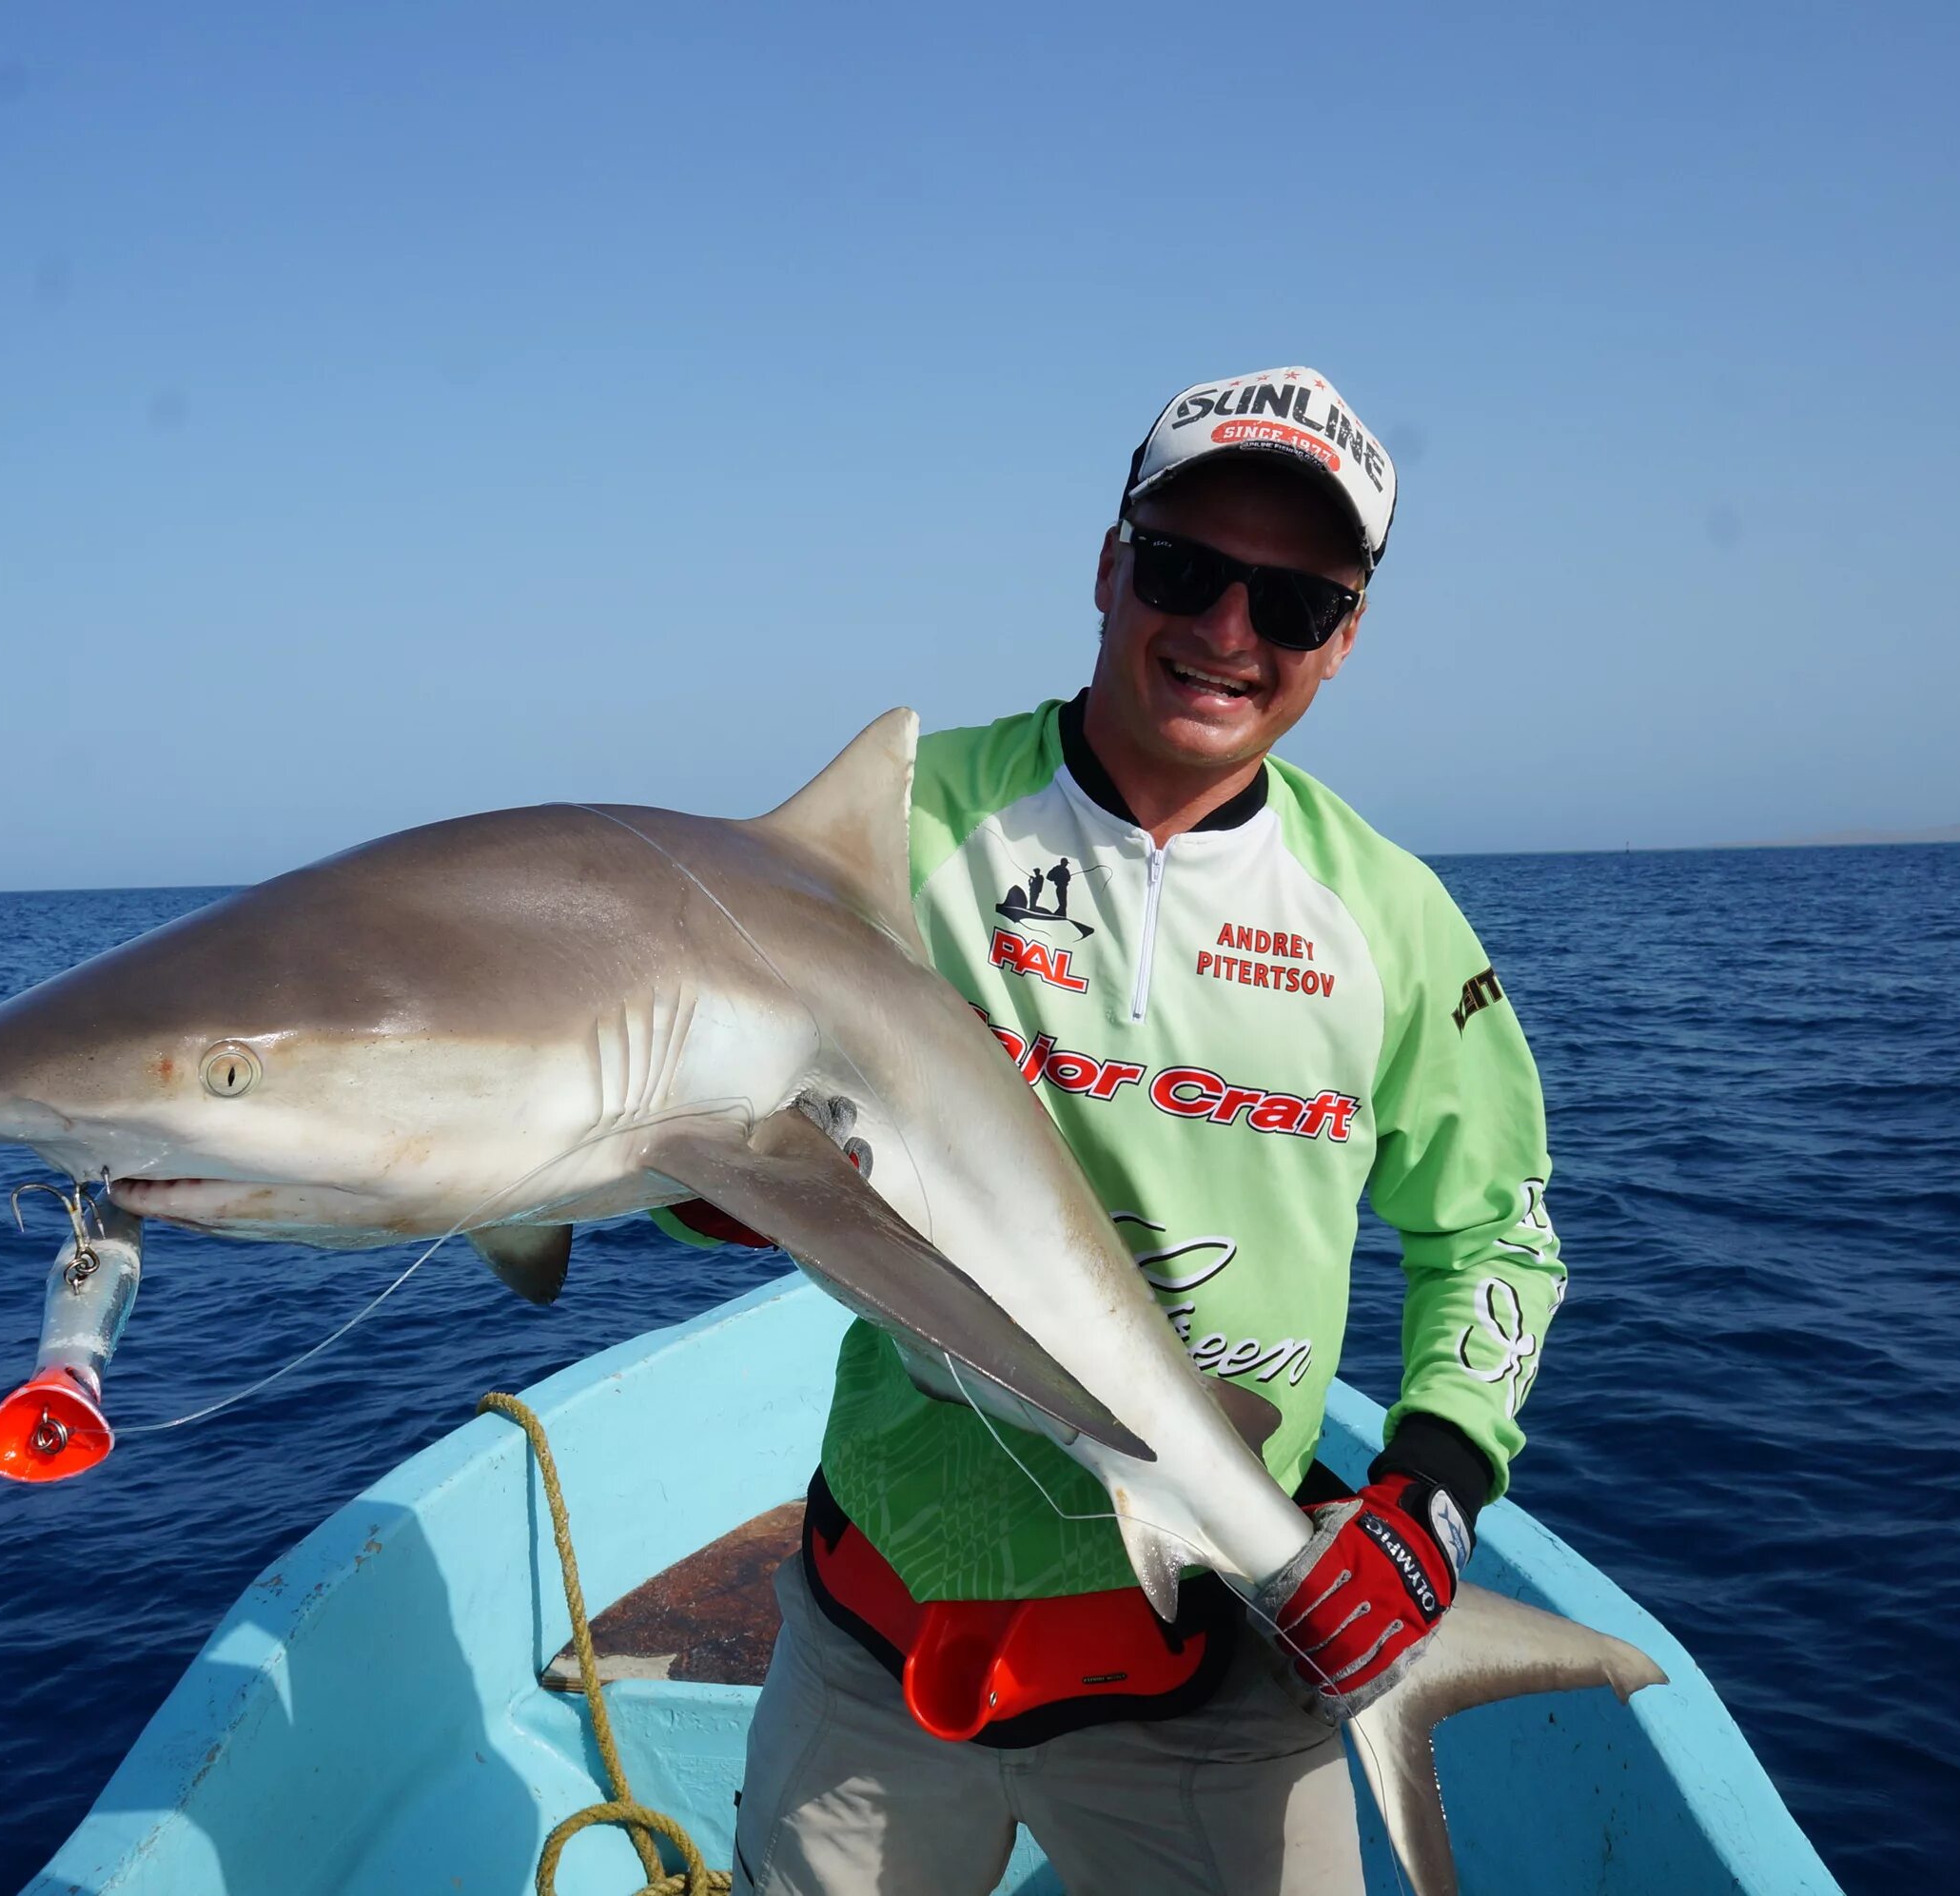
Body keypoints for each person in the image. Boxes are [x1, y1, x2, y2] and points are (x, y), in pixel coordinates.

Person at [657, 366, 1567, 1896]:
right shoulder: (900, 828)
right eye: (1187, 568)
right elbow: (687, 1098)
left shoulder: (1394, 923)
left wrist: (1427, 1493)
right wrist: (719, 1190)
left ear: (1343, 641)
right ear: (1107, 564)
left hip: (1222, 1672)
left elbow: (1498, 1230)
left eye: (1290, 601)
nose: (1225, 631)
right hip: (878, 1637)